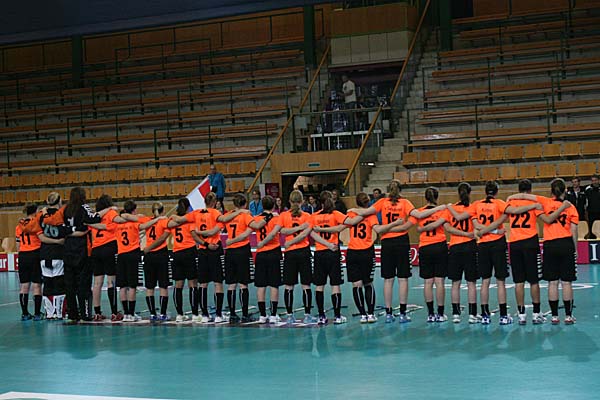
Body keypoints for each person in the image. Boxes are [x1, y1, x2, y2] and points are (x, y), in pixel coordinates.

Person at [348, 180, 446, 323]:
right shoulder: (405, 203)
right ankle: (402, 313)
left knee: (388, 279)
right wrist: (440, 208)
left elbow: (365, 212)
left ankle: (389, 313)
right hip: (401, 242)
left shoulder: (382, 202)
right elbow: (418, 215)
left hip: (387, 242)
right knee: (403, 279)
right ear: (400, 190)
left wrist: (353, 210)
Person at [508, 178, 578, 324]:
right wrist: (575, 248)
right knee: (566, 283)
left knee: (552, 282)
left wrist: (511, 197)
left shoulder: (544, 202)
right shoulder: (570, 206)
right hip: (565, 243)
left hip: (549, 244)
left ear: (551, 191)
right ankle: (568, 315)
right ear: (564, 190)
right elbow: (574, 230)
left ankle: (554, 316)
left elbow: (524, 195)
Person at [170, 193, 240, 323]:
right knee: (218, 283)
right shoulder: (215, 213)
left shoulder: (196, 213)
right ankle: (218, 315)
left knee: (203, 283)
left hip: (202, 250)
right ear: (214, 202)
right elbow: (222, 222)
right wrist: (239, 212)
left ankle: (205, 315)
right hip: (214, 249)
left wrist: (170, 217)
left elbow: (178, 220)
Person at [42, 187, 106, 323]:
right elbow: (93, 218)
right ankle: (85, 314)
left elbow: (56, 225)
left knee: (70, 284)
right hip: (82, 249)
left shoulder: (65, 209)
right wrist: (108, 210)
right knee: (84, 283)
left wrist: (69, 230)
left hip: (68, 249)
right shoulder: (83, 207)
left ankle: (72, 314)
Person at [318, 192, 382, 323]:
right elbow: (377, 230)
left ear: (356, 202)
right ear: (367, 202)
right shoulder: (371, 215)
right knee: (368, 283)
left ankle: (363, 314)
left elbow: (339, 228)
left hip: (353, 252)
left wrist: (321, 229)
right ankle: (370, 314)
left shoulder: (351, 214)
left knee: (356, 284)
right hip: (367, 251)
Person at [504, 180, 552, 325]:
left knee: (518, 281)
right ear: (530, 190)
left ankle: (521, 314)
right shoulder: (534, 203)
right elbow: (544, 218)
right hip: (530, 242)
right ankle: (536, 313)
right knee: (534, 280)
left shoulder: (510, 203)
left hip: (515, 243)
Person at [470, 181, 512, 325]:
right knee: (501, 281)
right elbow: (506, 215)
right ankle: (503, 316)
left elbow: (476, 226)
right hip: (498, 243)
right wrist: (495, 231)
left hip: (483, 245)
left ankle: (485, 315)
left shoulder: (476, 204)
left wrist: (485, 231)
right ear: (496, 192)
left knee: (485, 281)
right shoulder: (500, 203)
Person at [222, 193, 264, 323]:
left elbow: (222, 221)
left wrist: (230, 241)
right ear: (245, 204)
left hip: (230, 252)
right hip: (242, 250)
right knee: (243, 284)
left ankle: (232, 314)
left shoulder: (228, 216)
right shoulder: (246, 216)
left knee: (231, 284)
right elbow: (253, 228)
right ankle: (245, 314)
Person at [409, 188, 449, 323]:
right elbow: (446, 226)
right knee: (439, 281)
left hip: (425, 247)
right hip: (439, 245)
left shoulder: (420, 212)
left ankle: (430, 314)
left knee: (428, 282)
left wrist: (421, 229)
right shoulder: (442, 211)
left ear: (425, 198)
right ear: (437, 197)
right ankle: (440, 314)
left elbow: (411, 225)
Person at [310, 191, 348, 325]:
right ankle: (337, 316)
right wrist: (333, 233)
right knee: (335, 285)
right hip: (333, 252)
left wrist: (325, 242)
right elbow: (346, 224)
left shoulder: (314, 216)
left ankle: (321, 316)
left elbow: (312, 233)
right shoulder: (335, 214)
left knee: (319, 285)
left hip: (320, 252)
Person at [279, 190, 315, 324]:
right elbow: (304, 234)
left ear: (289, 201)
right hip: (303, 252)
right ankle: (307, 315)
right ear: (302, 201)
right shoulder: (307, 216)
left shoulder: (283, 216)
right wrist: (300, 227)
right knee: (306, 285)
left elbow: (282, 231)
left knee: (289, 285)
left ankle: (289, 315)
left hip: (290, 253)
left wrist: (290, 242)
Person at [444, 183, 478, 324]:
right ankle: (472, 314)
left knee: (455, 283)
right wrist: (467, 234)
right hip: (470, 246)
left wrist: (460, 234)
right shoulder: (473, 207)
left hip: (455, 247)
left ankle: (456, 314)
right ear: (469, 193)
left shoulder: (450, 209)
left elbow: (447, 228)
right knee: (471, 283)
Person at [112, 200, 151, 322]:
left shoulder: (117, 224)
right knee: (132, 285)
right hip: (132, 254)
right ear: (134, 210)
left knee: (122, 286)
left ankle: (126, 313)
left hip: (121, 254)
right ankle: (131, 313)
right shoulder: (134, 223)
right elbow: (144, 225)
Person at [167, 198, 200, 323]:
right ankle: (195, 314)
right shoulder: (189, 219)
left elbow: (168, 226)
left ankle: (179, 314)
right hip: (189, 251)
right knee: (193, 283)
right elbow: (194, 234)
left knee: (178, 285)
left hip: (177, 252)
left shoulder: (173, 219)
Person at [89, 195, 120, 321]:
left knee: (97, 283)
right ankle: (114, 312)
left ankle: (97, 312)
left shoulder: (94, 216)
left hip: (96, 249)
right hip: (109, 246)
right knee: (111, 281)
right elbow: (117, 224)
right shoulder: (111, 213)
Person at [252, 195, 283, 324]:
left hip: (261, 253)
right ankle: (273, 314)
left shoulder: (256, 218)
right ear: (274, 205)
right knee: (274, 284)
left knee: (261, 285)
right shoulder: (277, 218)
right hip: (273, 251)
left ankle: (262, 315)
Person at [141, 202, 171, 322]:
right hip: (161, 254)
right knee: (163, 286)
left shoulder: (146, 220)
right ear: (162, 210)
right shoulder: (164, 221)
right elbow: (163, 238)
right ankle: (163, 314)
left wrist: (148, 248)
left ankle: (152, 314)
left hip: (149, 256)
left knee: (150, 287)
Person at [15, 204, 43, 321]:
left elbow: (18, 245)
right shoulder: (35, 223)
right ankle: (37, 314)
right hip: (35, 254)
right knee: (37, 285)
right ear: (35, 211)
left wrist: (21, 254)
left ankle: (25, 313)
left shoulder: (19, 226)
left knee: (24, 286)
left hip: (23, 255)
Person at [585, 175, 600, 239]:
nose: (594, 182)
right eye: (592, 181)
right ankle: (592, 241)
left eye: (595, 180)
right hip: (591, 213)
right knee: (591, 228)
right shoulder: (587, 189)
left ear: (598, 180)